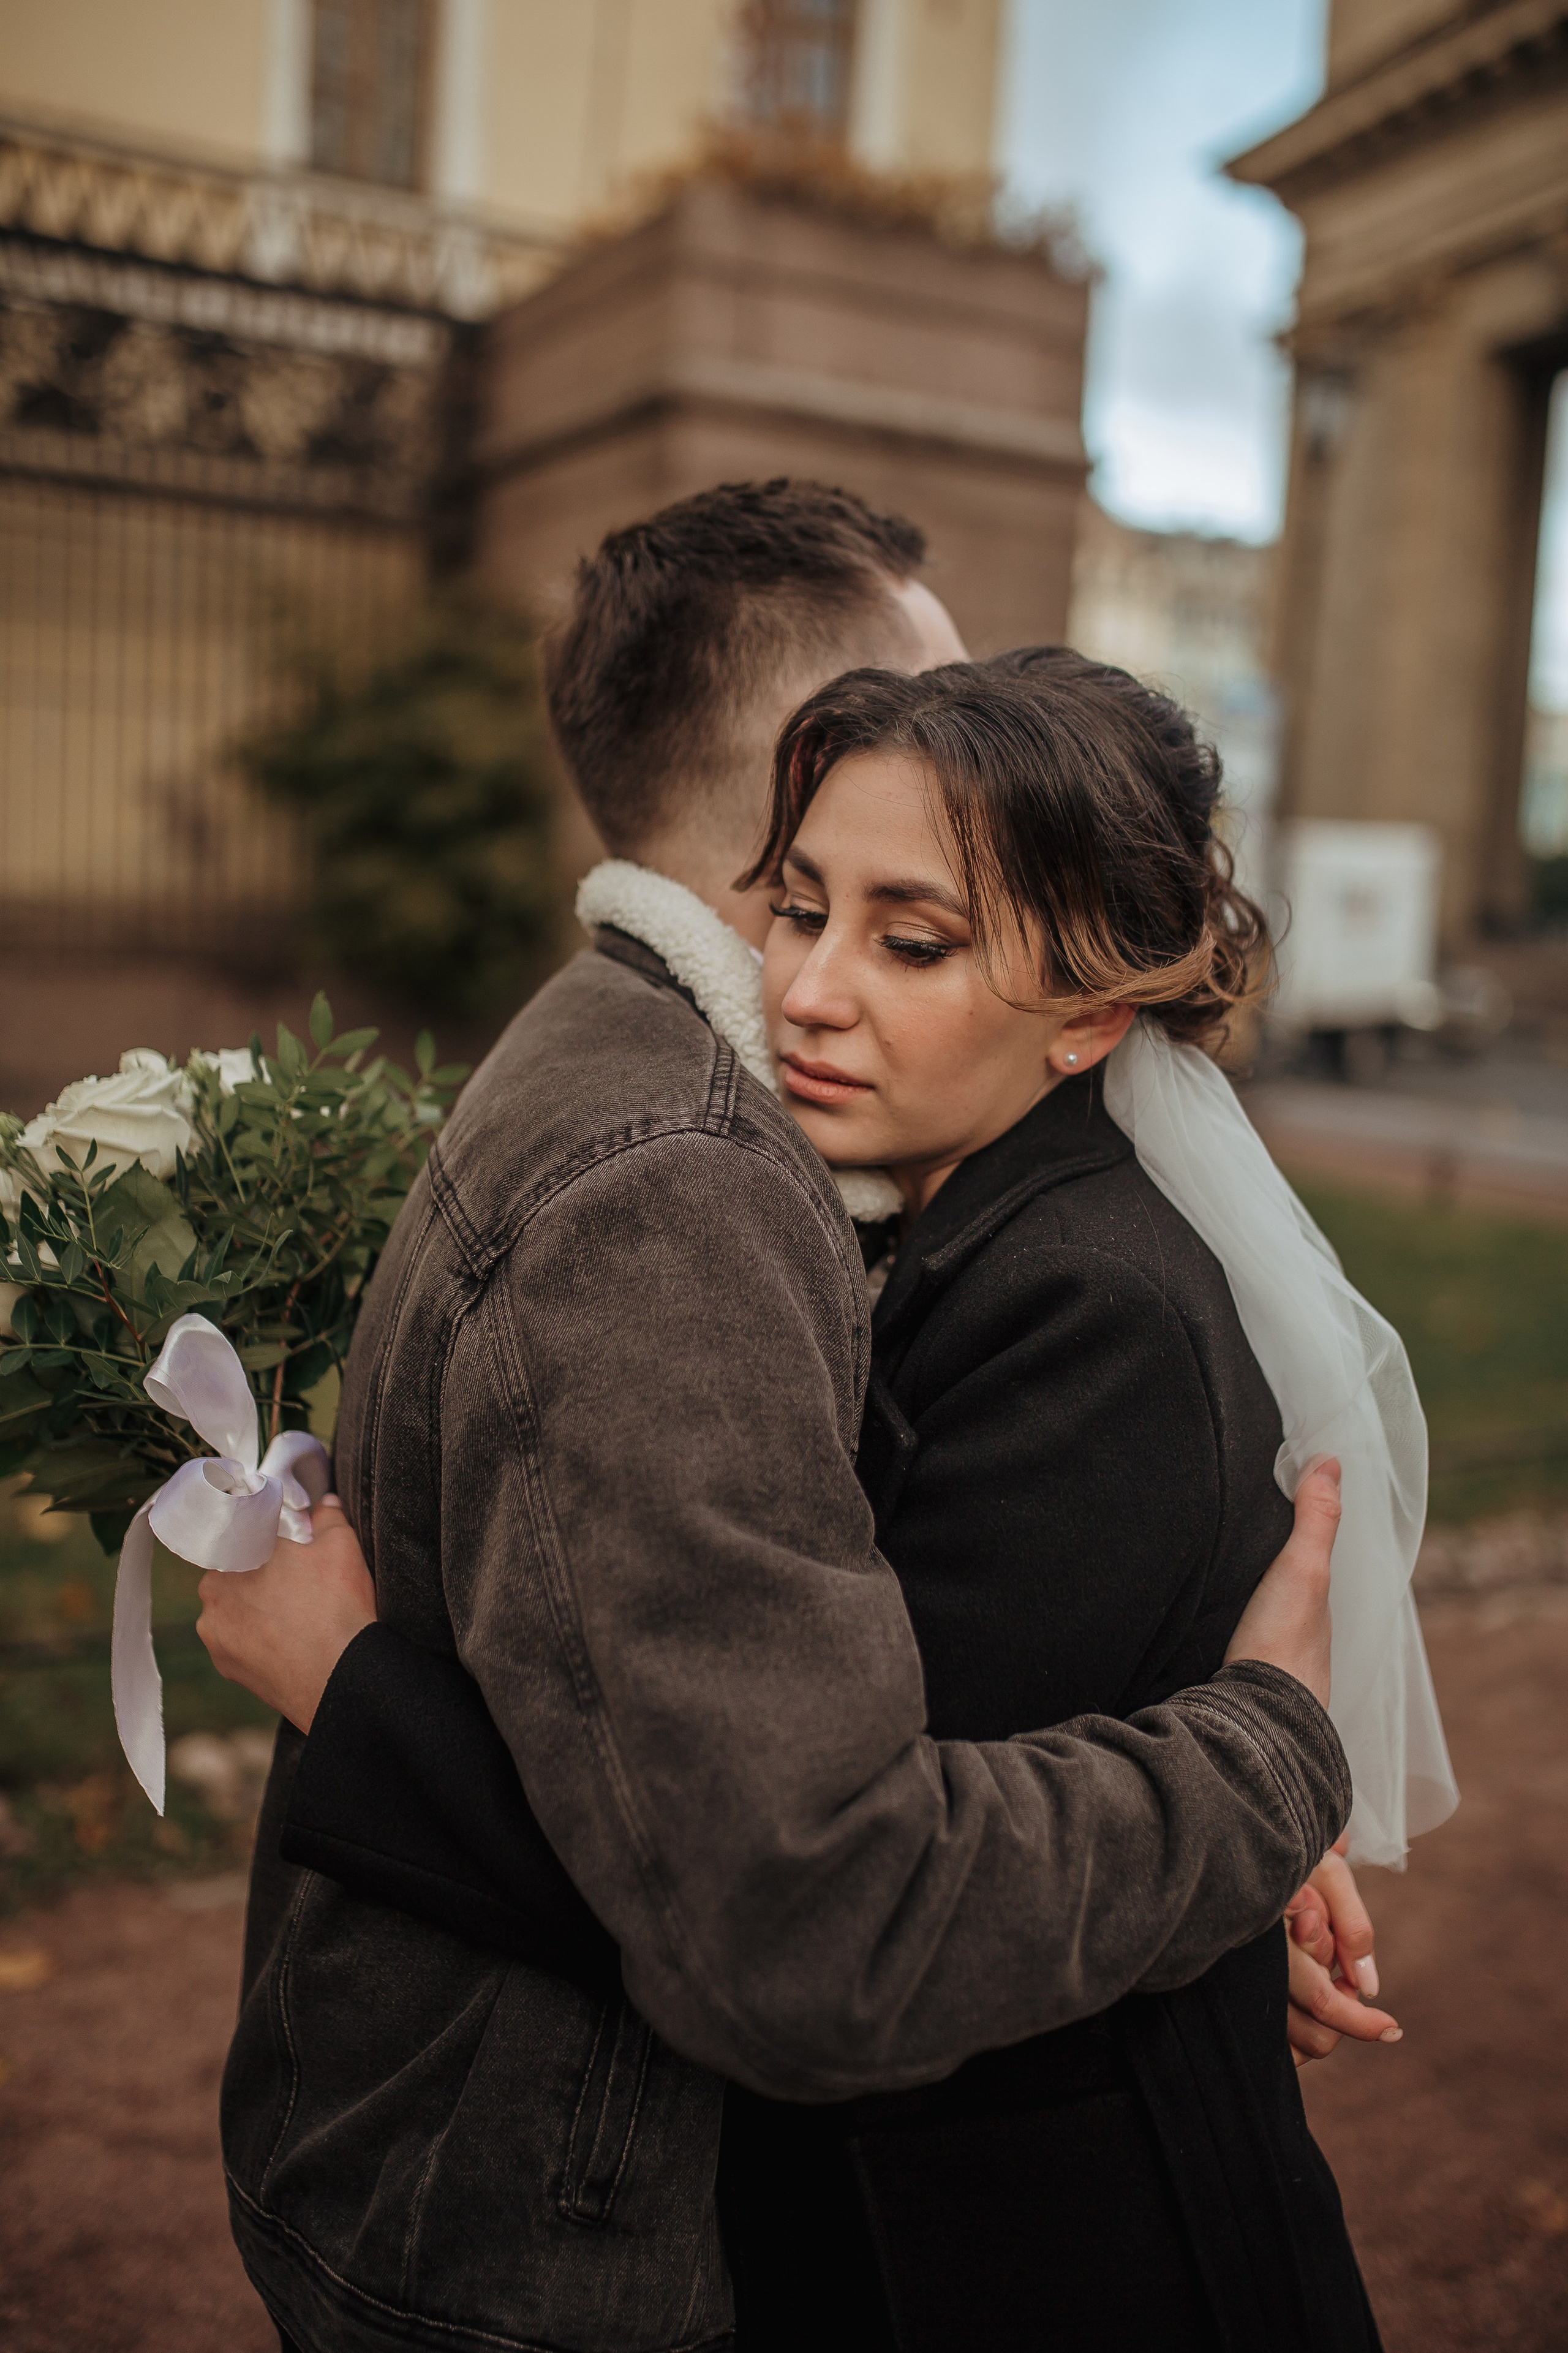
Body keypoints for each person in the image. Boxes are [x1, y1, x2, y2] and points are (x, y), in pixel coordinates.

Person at [208, 483, 1366, 2353]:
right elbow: (792, 1879)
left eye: (913, 937)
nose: (813, 984)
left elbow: (821, 1902)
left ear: (1086, 1010)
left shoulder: (1080, 1305)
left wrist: (1254, 1794)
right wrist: (1247, 1791)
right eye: (808, 904)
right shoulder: (723, 1178)